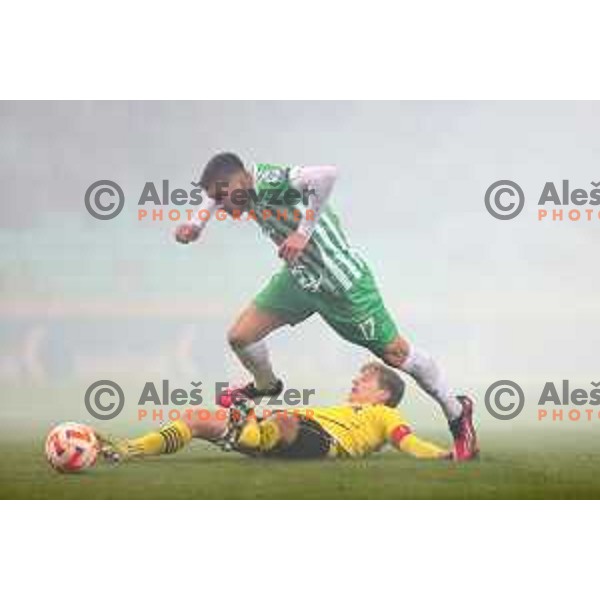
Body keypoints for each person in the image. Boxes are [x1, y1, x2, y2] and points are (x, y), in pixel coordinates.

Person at [175, 153, 478, 460]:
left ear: (237, 181)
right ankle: (266, 386)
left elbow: (326, 175)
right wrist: (196, 223)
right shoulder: (241, 188)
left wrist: (302, 234)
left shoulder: (269, 182)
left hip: (341, 283)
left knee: (396, 354)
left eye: (221, 197)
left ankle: (457, 413)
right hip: (300, 278)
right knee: (241, 336)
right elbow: (213, 196)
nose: (221, 207)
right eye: (214, 199)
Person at [100, 362, 453, 461]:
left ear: (384, 394)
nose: (355, 382)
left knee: (283, 420)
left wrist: (440, 454)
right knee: (196, 418)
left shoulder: (384, 415)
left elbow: (407, 442)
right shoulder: (341, 407)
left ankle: (247, 423)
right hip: (283, 436)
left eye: (365, 380)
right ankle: (127, 449)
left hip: (323, 444)